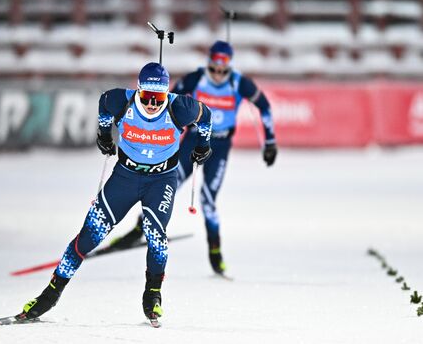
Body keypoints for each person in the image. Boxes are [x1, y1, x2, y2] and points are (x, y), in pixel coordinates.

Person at [15, 62, 212, 324]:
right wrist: (104, 134)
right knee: (88, 236)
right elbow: (104, 103)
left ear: (166, 94)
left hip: (161, 180)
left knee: (156, 237)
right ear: (138, 90)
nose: (153, 104)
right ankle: (50, 294)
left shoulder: (180, 107)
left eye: (158, 98)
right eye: (147, 97)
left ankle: (152, 293)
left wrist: (203, 146)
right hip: (125, 177)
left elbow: (206, 115)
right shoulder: (121, 100)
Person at [110, 40, 277, 276]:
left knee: (208, 200)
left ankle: (215, 252)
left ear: (229, 64)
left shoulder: (239, 82)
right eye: (215, 65)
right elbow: (167, 101)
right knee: (164, 182)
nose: (218, 72)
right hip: (191, 143)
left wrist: (269, 142)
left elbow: (265, 106)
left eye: (224, 66)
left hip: (219, 149)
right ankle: (139, 230)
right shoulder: (195, 79)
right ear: (209, 60)